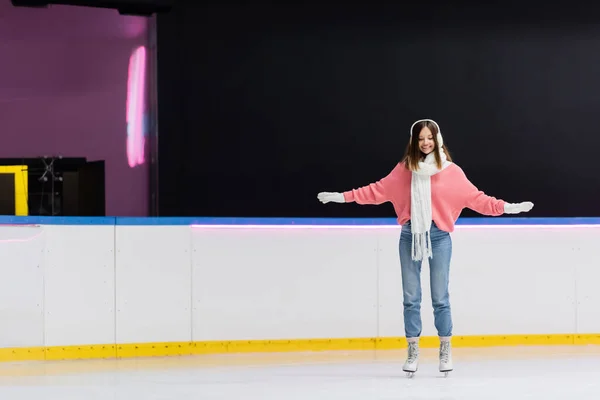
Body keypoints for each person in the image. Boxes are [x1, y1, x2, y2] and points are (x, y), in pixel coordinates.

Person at [317, 119, 533, 376]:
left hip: (439, 236)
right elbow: (375, 191)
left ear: (438, 138)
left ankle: (445, 348)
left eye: (430, 137)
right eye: (421, 138)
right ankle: (413, 349)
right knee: (411, 298)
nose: (426, 142)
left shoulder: (451, 172)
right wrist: (343, 197)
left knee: (440, 298)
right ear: (414, 142)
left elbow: (478, 199)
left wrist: (506, 207)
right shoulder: (404, 170)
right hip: (410, 236)